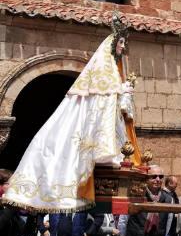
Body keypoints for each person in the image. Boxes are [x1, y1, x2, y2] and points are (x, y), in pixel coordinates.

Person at [2, 12, 141, 213]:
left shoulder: (114, 76)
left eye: (123, 44)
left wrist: (125, 92)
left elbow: (120, 109)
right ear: (110, 46)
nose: (122, 47)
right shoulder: (103, 74)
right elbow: (103, 101)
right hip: (94, 130)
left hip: (112, 130)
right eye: (120, 43)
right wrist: (121, 91)